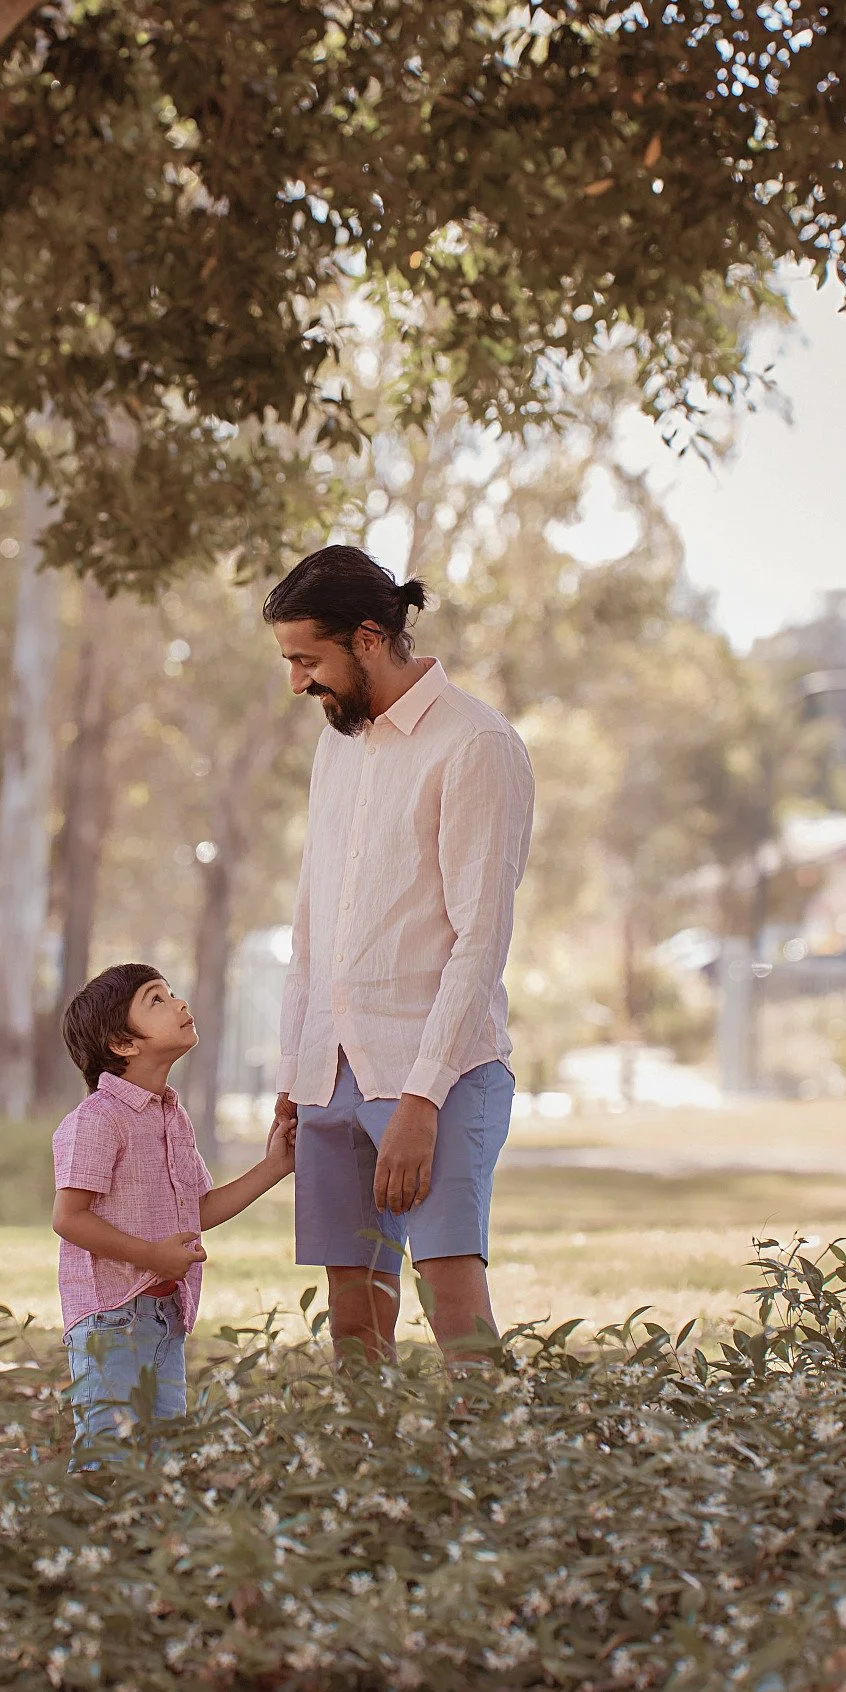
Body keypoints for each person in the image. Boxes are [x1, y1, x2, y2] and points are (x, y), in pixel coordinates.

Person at [265, 545, 534, 1363]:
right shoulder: (336, 746)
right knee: (353, 1324)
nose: (296, 682)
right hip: (331, 1072)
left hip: (435, 1073)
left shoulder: (476, 744)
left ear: (370, 638)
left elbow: (479, 941)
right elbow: (313, 925)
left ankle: (487, 1483)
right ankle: (368, 1490)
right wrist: (294, 1073)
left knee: (454, 1311)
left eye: (308, 659)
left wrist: (420, 1101)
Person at [53, 963, 295, 1454]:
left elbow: (196, 1211)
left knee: (163, 1461)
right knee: (113, 1459)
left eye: (172, 993)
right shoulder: (96, 1121)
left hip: (165, 1315)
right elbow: (68, 1218)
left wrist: (273, 1168)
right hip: (111, 1320)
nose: (181, 1003)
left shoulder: (171, 1115)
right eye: (156, 1000)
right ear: (123, 1043)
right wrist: (151, 1256)